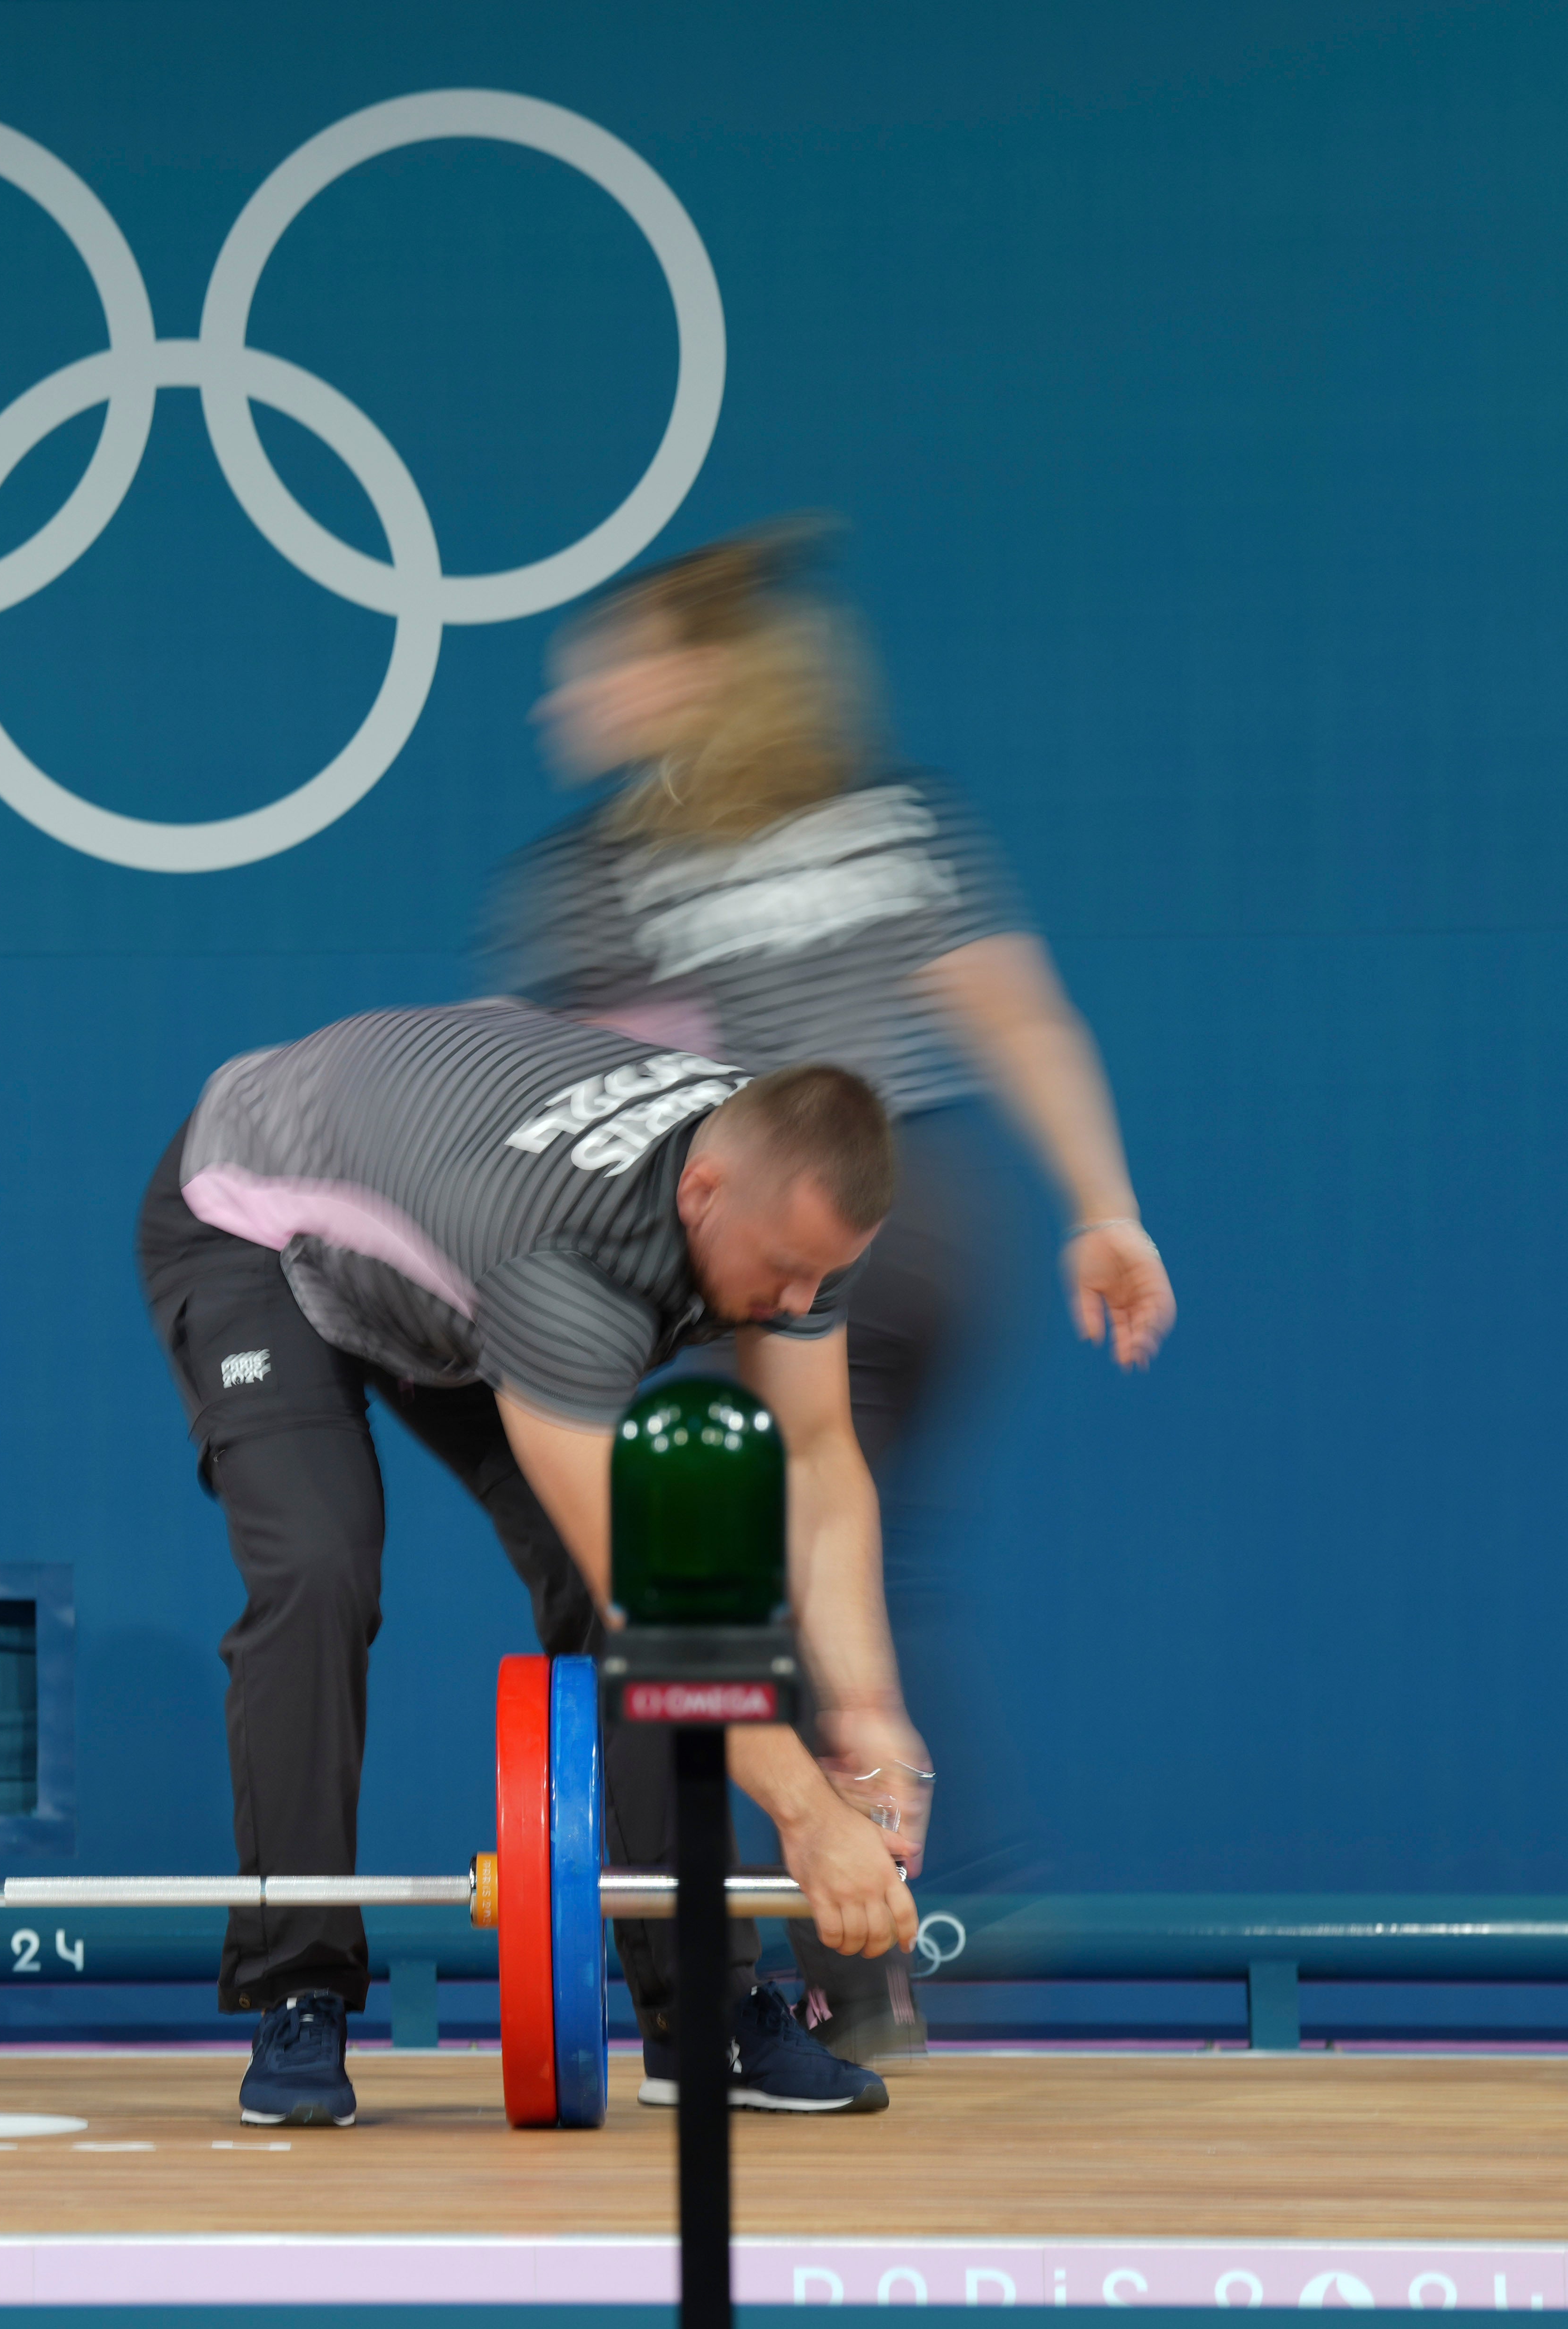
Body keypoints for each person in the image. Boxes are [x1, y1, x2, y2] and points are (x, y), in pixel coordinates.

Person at [490, 523, 1176, 2061]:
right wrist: (1100, 1207)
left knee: (762, 1571)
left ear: (697, 677)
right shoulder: (890, 817)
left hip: (795, 1222)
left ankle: (855, 1965)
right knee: (846, 1556)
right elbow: (1017, 1012)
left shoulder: (601, 871)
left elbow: (599, 1115)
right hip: (936, 1220)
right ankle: (911, 1916)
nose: (565, 702)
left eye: (599, 667)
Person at [139, 1003, 924, 2127]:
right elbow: (653, 1610)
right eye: (787, 1273)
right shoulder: (557, 1262)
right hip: (259, 1219)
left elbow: (813, 1454)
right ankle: (300, 1985)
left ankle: (703, 2009)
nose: (799, 1306)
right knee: (319, 1566)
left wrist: (871, 1712)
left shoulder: (795, 1175)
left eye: (825, 1278)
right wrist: (807, 1816)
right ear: (702, 1193)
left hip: (448, 1248)